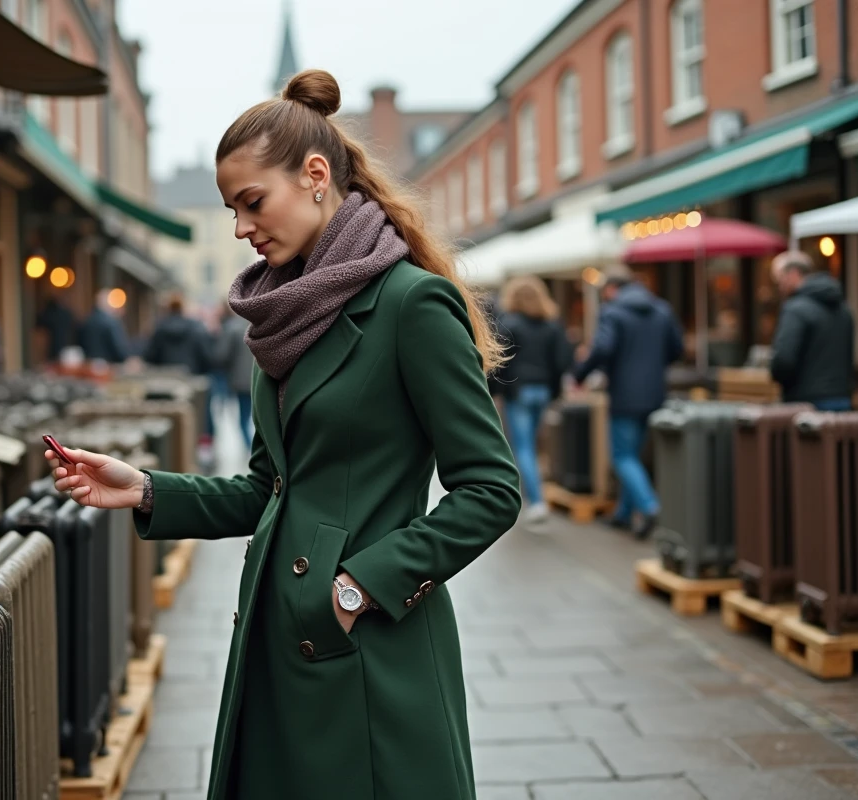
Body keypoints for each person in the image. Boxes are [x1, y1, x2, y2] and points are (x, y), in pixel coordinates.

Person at [45, 69, 520, 800]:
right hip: (276, 647)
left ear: (316, 176)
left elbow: (489, 490)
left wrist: (360, 587)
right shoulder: (284, 316)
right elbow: (268, 488)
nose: (241, 227)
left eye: (251, 202)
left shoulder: (410, 305)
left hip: (369, 656)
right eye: (231, 210)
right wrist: (144, 489)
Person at [573, 265, 683, 540]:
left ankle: (648, 506)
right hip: (655, 394)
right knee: (633, 455)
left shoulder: (613, 312)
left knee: (622, 456)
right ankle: (623, 515)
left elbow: (603, 348)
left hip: (624, 395)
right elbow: (677, 349)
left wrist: (580, 374)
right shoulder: (662, 309)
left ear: (611, 289)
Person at [493, 276, 572, 526]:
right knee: (534, 446)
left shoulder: (509, 323)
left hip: (519, 391)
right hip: (543, 391)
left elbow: (499, 362)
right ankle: (532, 496)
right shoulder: (552, 325)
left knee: (523, 447)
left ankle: (536, 501)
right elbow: (562, 361)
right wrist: (557, 389)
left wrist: (495, 391)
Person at [769, 250, 854, 411]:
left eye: (780, 279)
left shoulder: (795, 309)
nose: (779, 287)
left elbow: (783, 361)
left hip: (804, 403)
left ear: (793, 274)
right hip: (842, 398)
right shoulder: (844, 309)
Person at [212, 300, 256, 450]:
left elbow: (221, 356)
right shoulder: (256, 324)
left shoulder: (232, 328)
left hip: (240, 381)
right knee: (257, 418)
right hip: (258, 379)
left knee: (243, 418)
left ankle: (250, 448)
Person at [142, 293, 214, 376]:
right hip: (191, 376)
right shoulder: (195, 328)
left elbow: (150, 356)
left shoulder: (159, 328)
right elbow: (205, 356)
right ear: (183, 308)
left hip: (165, 377)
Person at [77, 289, 130, 364]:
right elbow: (119, 351)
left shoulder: (85, 321)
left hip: (89, 365)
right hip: (109, 366)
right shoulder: (111, 322)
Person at [33, 288, 77, 365]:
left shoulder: (47, 315)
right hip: (67, 349)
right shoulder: (67, 314)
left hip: (52, 351)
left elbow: (38, 330)